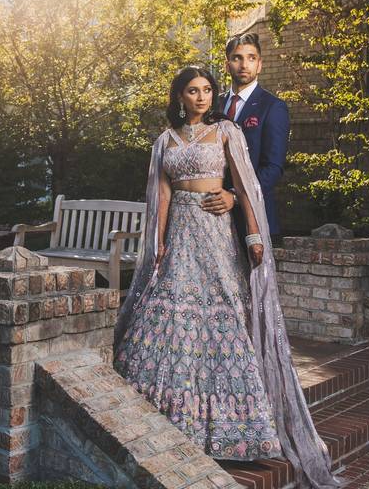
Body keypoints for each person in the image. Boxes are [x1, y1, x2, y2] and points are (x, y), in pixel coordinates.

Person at [114, 67, 342, 488]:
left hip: (216, 232)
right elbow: (163, 194)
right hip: (180, 236)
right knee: (170, 316)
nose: (201, 97)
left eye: (207, 90)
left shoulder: (226, 132)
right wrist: (158, 244)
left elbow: (246, 185)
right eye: (192, 91)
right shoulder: (165, 141)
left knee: (223, 321)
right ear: (179, 96)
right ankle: (165, 419)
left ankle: (235, 431)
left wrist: (254, 234)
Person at [202, 33, 290, 238]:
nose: (244, 64)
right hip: (210, 215)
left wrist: (235, 195)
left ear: (259, 65)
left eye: (251, 58)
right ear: (227, 65)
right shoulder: (213, 105)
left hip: (252, 218)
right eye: (237, 58)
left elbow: (273, 168)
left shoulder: (273, 107)